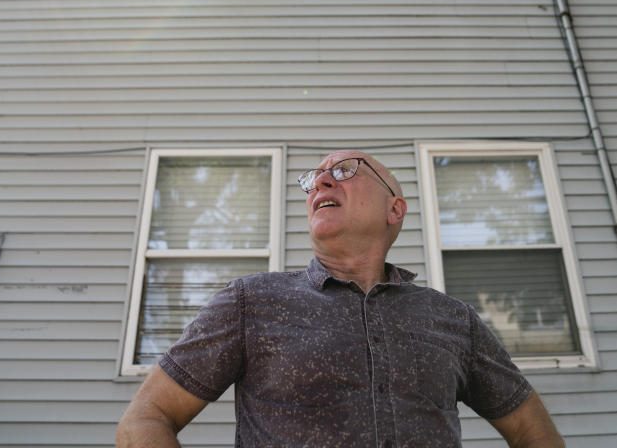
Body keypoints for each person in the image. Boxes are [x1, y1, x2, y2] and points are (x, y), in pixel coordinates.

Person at [117, 149, 565, 448]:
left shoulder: (454, 319)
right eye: (313, 178)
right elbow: (145, 418)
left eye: (345, 170)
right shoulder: (250, 302)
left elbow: (532, 431)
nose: (321, 183)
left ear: (395, 209)